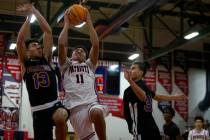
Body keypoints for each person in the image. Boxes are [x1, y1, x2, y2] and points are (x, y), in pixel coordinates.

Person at [16, 3, 68, 140]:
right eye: (34, 45)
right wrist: (28, 19)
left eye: (40, 46)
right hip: (38, 111)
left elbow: (48, 31)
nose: (39, 47)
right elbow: (20, 40)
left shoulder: (47, 59)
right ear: (27, 51)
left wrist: (34, 11)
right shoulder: (25, 64)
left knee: (61, 117)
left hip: (54, 105)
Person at [58, 9, 108, 140]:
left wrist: (89, 22)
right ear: (72, 55)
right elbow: (61, 44)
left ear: (86, 56)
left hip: (91, 103)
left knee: (97, 113)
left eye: (82, 51)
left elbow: (96, 44)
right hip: (74, 108)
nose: (79, 51)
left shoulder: (90, 65)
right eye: (76, 51)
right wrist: (67, 24)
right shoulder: (66, 65)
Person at [123, 62, 187, 140]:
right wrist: (174, 97)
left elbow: (144, 97)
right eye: (130, 68)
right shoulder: (143, 86)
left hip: (143, 131)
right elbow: (157, 97)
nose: (130, 70)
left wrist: (130, 81)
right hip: (150, 129)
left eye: (133, 68)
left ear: (141, 72)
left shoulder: (132, 90)